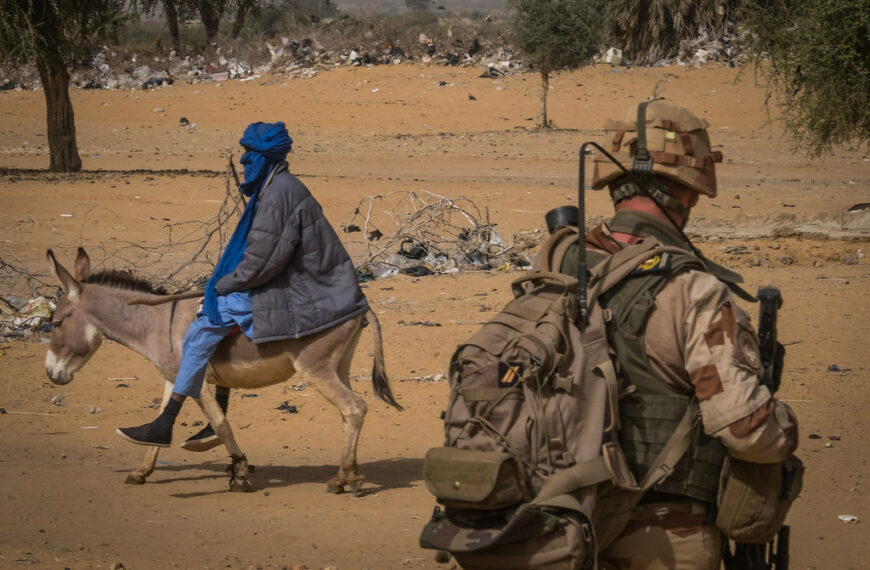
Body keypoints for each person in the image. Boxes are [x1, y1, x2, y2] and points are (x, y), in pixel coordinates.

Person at [557, 101, 799, 569]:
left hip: (556, 528)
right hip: (661, 537)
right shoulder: (692, 289)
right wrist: (783, 423)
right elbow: (748, 433)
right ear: (689, 189)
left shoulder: (558, 263)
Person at [117, 121, 369, 448]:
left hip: (304, 286)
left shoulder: (277, 195)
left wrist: (223, 284)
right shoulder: (279, 187)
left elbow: (264, 260)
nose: (244, 161)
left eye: (249, 154)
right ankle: (213, 416)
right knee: (219, 308)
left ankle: (167, 421)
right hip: (308, 279)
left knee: (205, 324)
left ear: (264, 157)